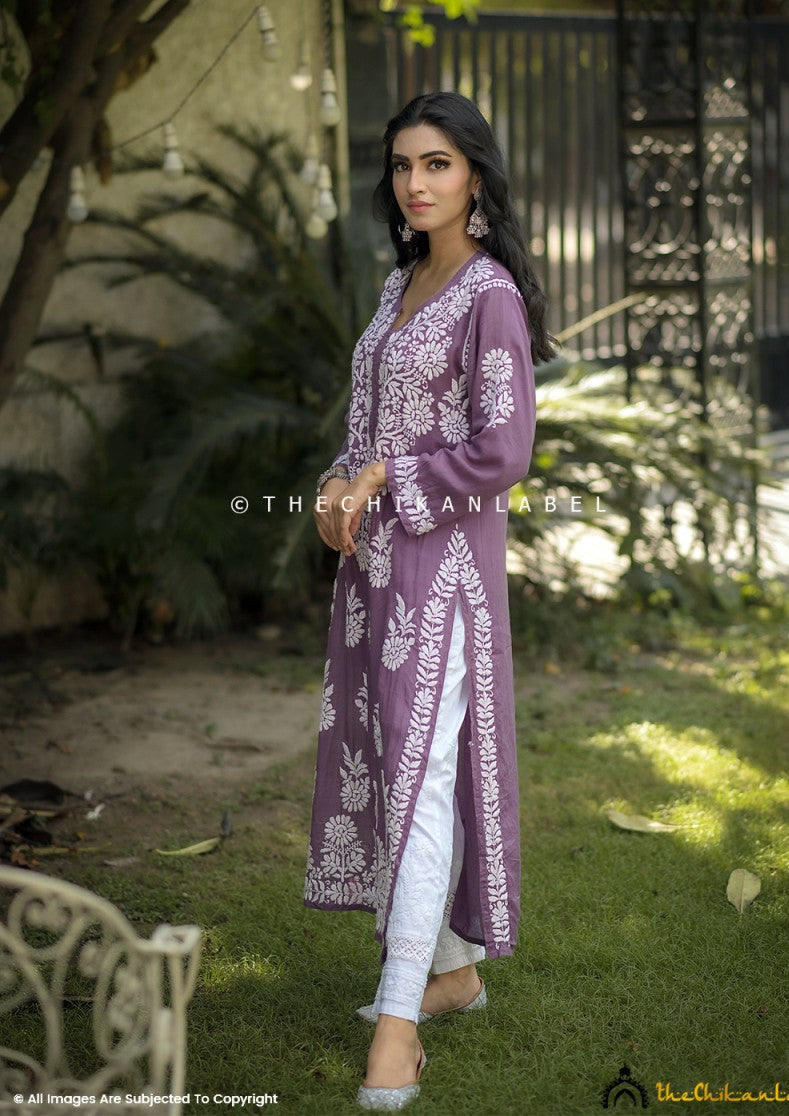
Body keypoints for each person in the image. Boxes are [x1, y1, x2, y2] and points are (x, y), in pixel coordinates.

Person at [305, 90, 552, 1111]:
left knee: (422, 773)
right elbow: (369, 425)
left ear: (475, 177)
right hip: (375, 575)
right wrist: (337, 479)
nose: (415, 182)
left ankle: (401, 1017)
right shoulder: (401, 282)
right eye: (404, 164)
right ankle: (451, 974)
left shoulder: (487, 293)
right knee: (400, 762)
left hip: (442, 576)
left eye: (437, 164)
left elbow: (503, 450)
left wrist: (381, 483)